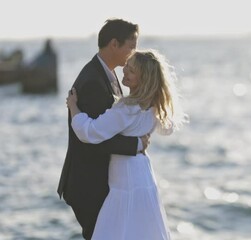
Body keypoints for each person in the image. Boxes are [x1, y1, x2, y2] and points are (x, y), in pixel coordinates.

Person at [66, 49, 184, 240]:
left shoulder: (126, 109)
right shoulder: (155, 106)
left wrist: (73, 107)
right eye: (126, 67)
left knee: (119, 229)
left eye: (131, 71)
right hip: (143, 172)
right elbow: (166, 129)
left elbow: (89, 132)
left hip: (125, 177)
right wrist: (139, 140)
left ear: (142, 78)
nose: (124, 72)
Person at [57, 18, 148, 239]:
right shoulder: (93, 81)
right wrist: (136, 144)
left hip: (98, 180)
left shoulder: (107, 72)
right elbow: (95, 137)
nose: (134, 52)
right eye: (131, 45)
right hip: (89, 183)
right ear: (114, 44)